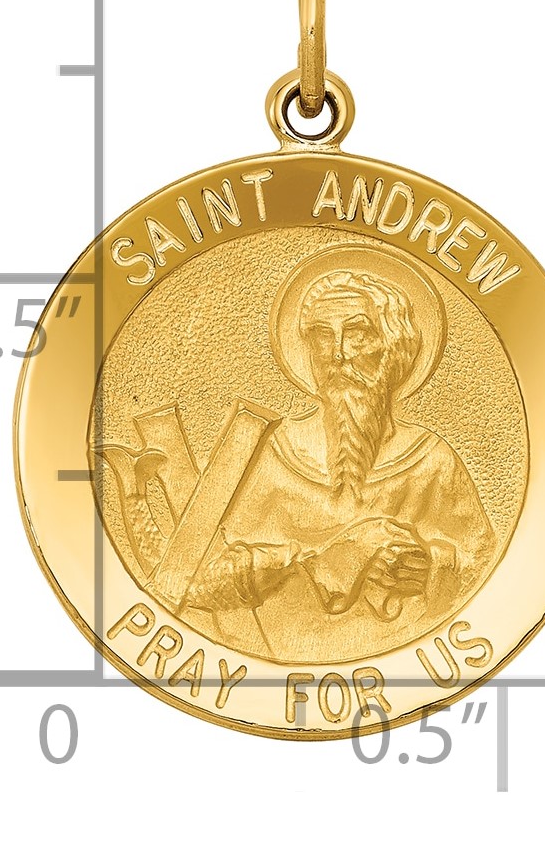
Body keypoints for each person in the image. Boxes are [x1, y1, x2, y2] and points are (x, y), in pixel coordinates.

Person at [179, 268, 495, 661]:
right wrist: (316, 561)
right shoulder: (266, 452)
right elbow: (192, 583)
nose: (338, 354)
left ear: (394, 348)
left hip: (400, 660)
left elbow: (487, 571)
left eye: (358, 332)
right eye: (322, 336)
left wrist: (430, 566)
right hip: (270, 659)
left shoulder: (432, 462)